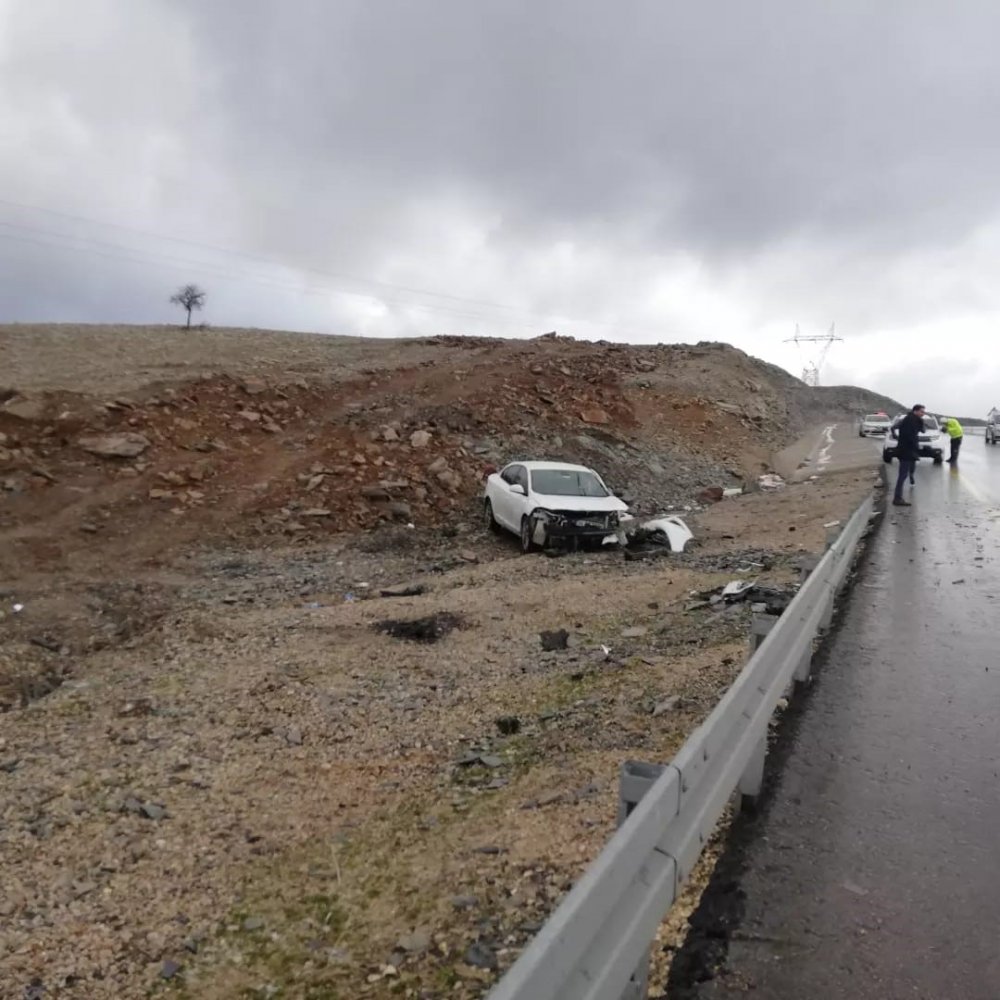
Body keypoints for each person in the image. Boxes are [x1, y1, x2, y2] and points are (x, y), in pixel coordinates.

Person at [893, 404, 926, 506]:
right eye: (921, 412)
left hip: (908, 451)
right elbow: (910, 436)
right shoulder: (910, 420)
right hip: (906, 451)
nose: (923, 414)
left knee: (906, 472)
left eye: (923, 412)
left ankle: (898, 496)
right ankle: (897, 498)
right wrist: (915, 446)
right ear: (915, 411)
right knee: (902, 475)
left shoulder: (912, 419)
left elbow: (922, 431)